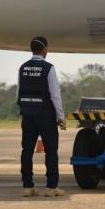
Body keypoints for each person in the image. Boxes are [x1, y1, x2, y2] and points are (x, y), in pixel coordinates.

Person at [17, 36, 66, 197]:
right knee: (51, 151)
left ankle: (27, 186)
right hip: (45, 115)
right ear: (44, 50)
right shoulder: (48, 68)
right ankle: (51, 188)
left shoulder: (22, 68)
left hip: (27, 115)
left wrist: (25, 109)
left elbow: (18, 92)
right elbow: (55, 95)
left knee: (27, 150)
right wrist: (61, 117)